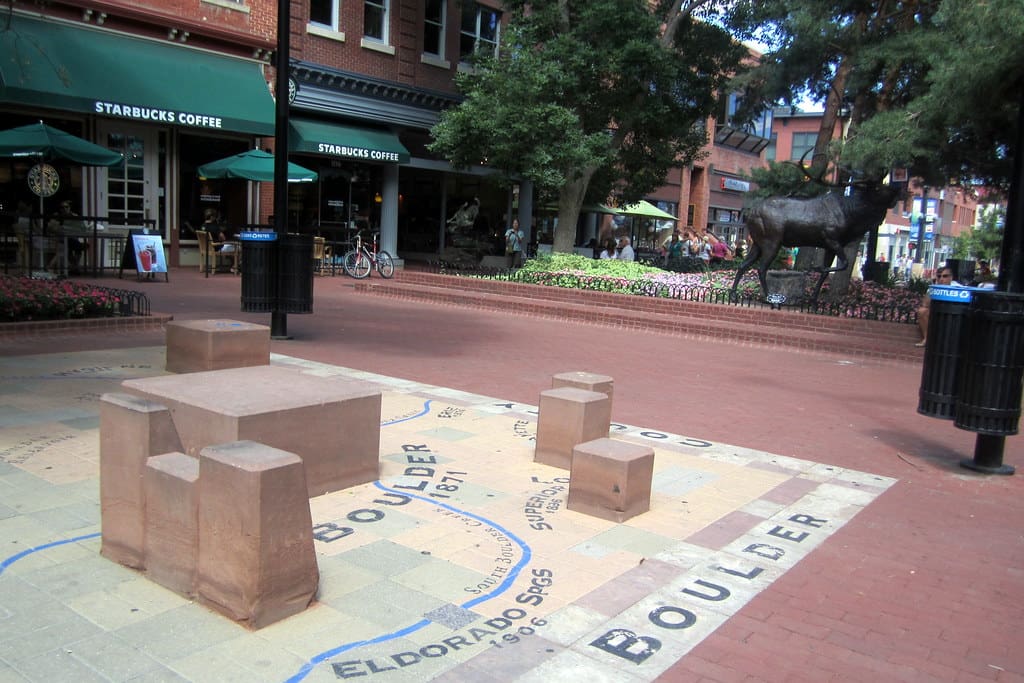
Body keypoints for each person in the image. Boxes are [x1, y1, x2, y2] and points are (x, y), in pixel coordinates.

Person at [916, 266, 959, 347]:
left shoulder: (958, 287)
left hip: (954, 314)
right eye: (939, 276)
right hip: (937, 313)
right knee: (922, 311)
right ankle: (927, 339)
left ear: (951, 277)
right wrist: (934, 288)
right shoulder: (934, 287)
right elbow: (925, 304)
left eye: (945, 276)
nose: (941, 279)